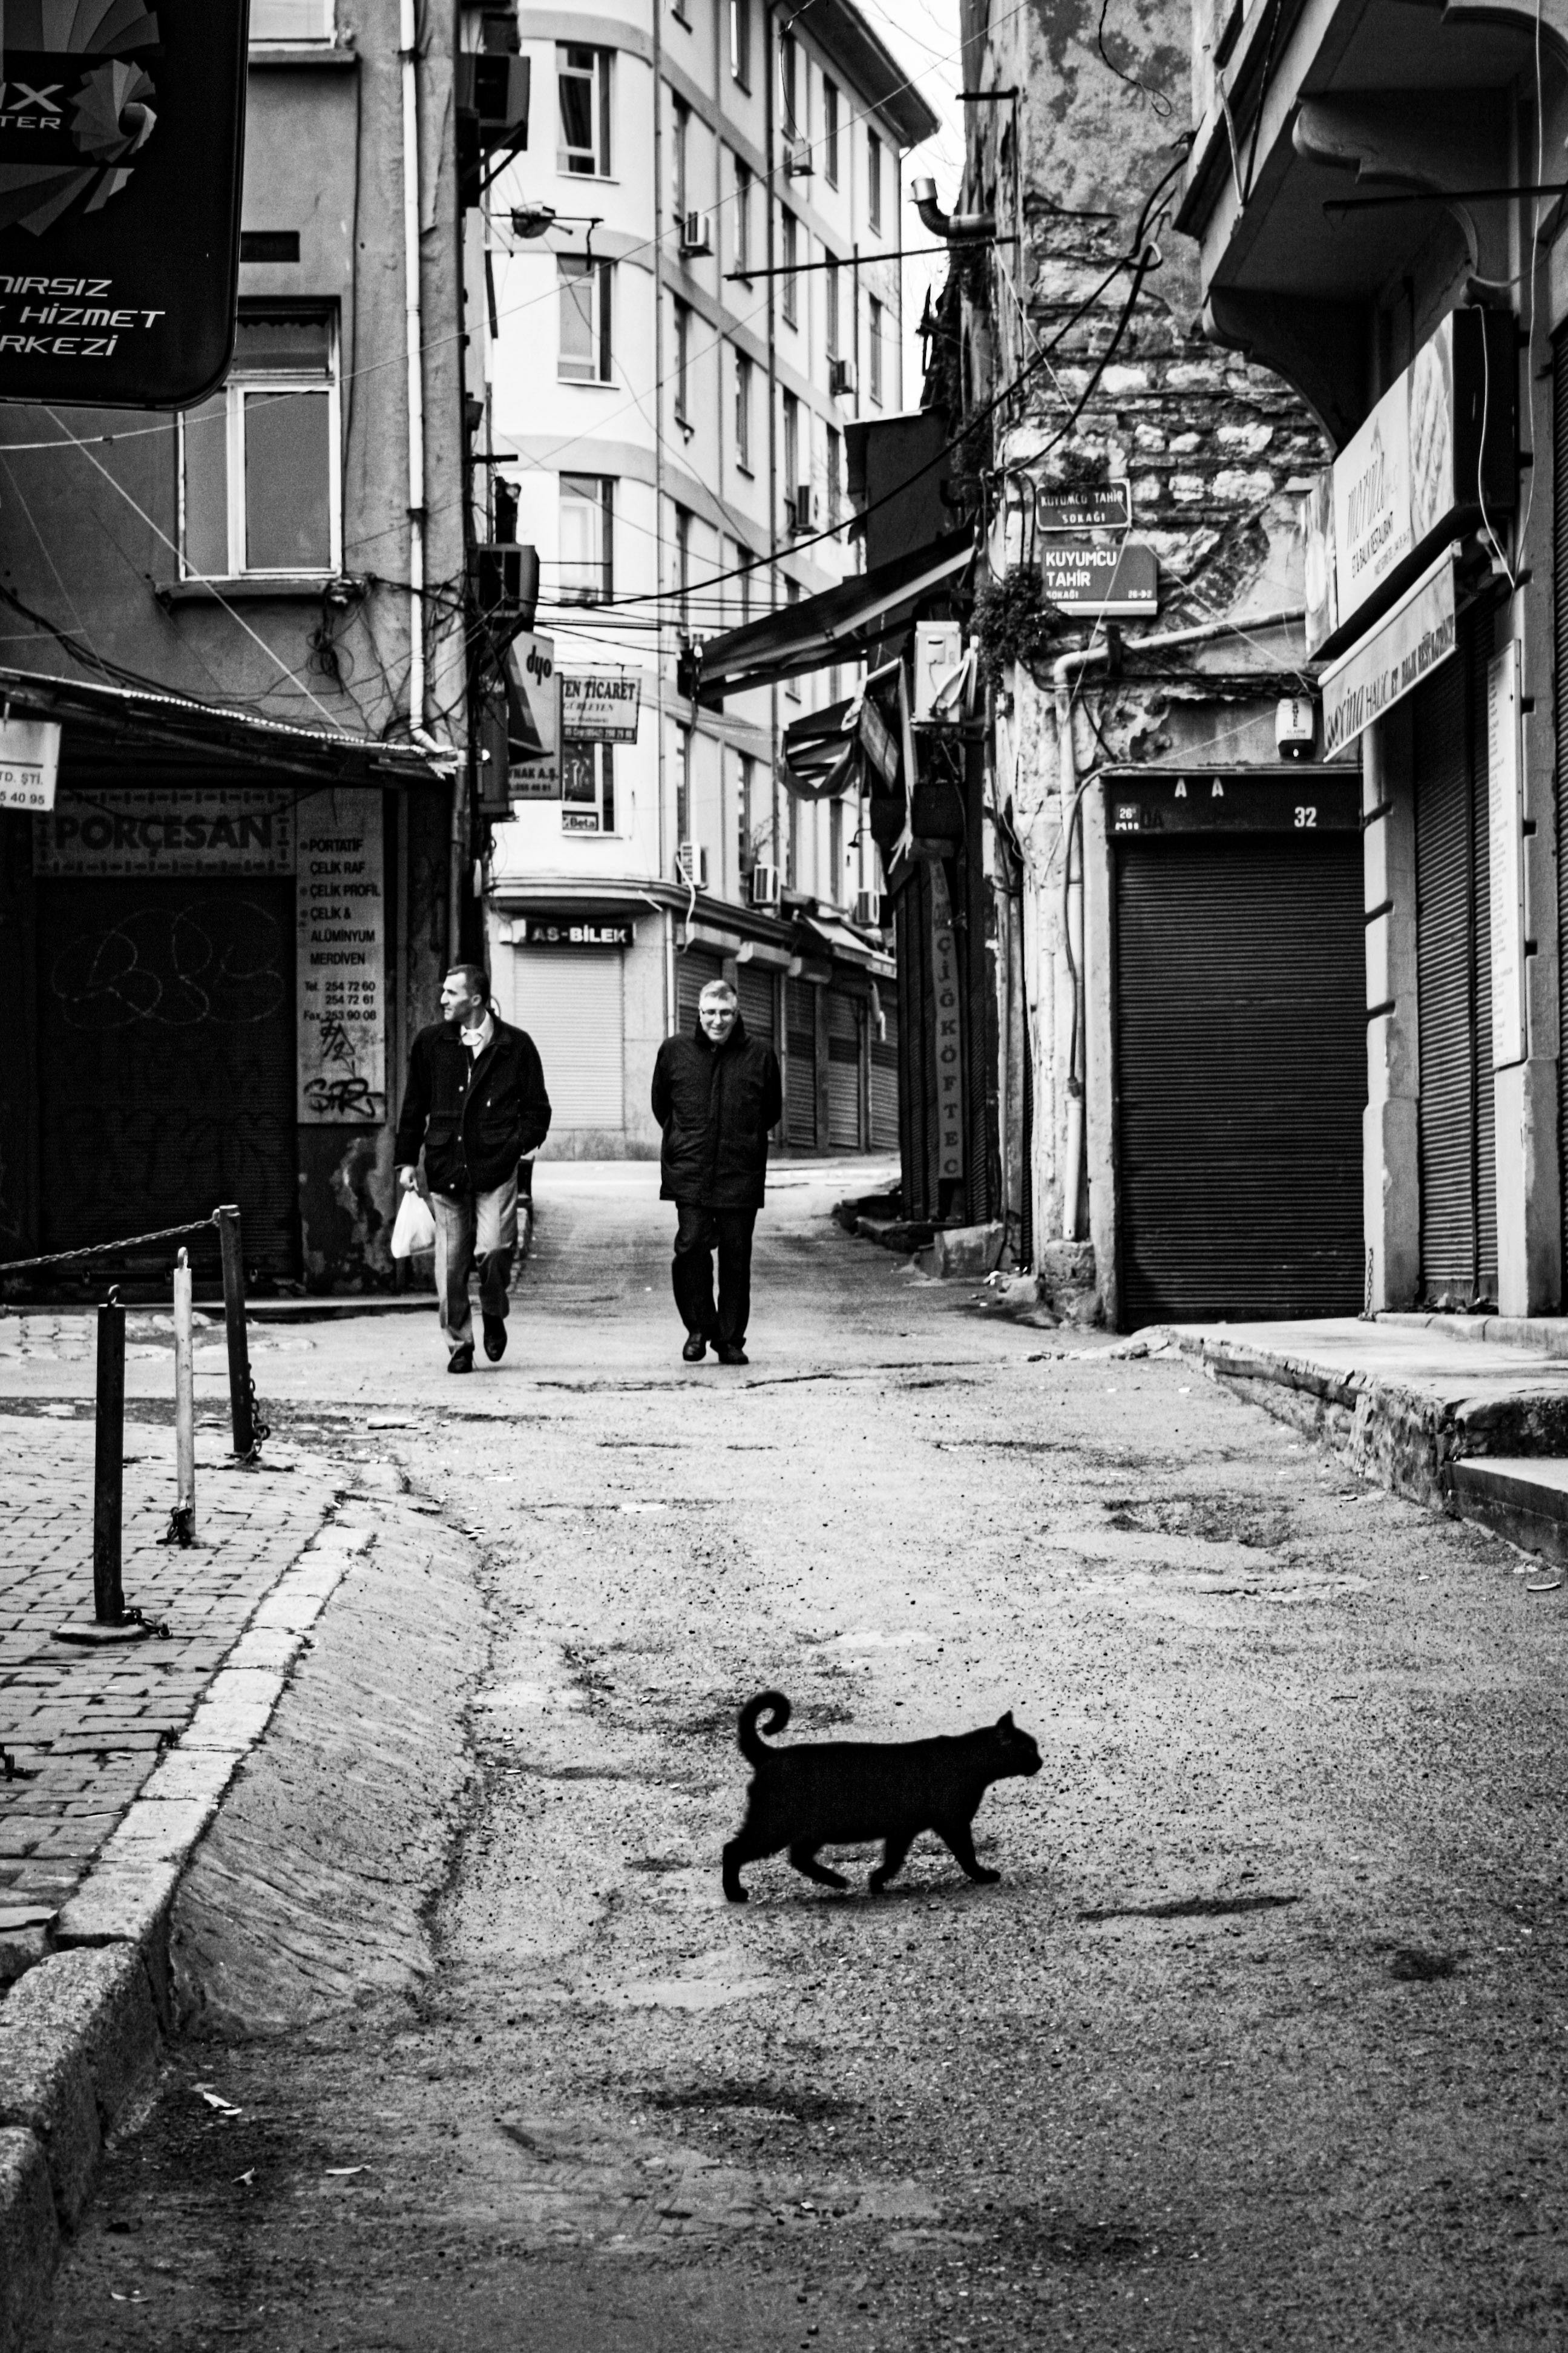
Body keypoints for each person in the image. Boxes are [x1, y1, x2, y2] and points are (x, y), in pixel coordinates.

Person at [394, 963, 551, 1372]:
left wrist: (515, 1145)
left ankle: (494, 1311)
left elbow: (537, 1111)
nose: (442, 999)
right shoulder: (431, 1043)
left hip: (496, 1167)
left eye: (451, 993)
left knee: (495, 1249)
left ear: (475, 999)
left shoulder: (515, 1045)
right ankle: (460, 1345)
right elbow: (414, 1106)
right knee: (450, 1264)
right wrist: (407, 1160)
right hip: (446, 1166)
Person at [651, 976, 782, 1366]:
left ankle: (730, 1340)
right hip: (689, 1171)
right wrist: (683, 1140)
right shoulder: (674, 1052)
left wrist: (742, 1139)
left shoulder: (760, 1055)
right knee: (690, 1247)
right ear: (699, 1012)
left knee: (736, 1258)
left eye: (725, 1013)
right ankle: (698, 1328)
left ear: (737, 1013)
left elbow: (770, 1111)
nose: (718, 1021)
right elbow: (663, 1107)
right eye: (710, 1012)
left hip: (739, 1172)